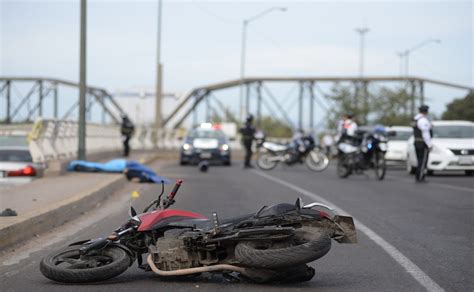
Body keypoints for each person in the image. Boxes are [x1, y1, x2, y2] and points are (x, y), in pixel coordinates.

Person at [412, 105, 433, 182]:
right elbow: (425, 133)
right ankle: (420, 176)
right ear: (426, 111)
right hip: (422, 143)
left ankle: (418, 176)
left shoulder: (416, 119)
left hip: (417, 142)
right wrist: (429, 145)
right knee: (423, 160)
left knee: (419, 160)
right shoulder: (423, 120)